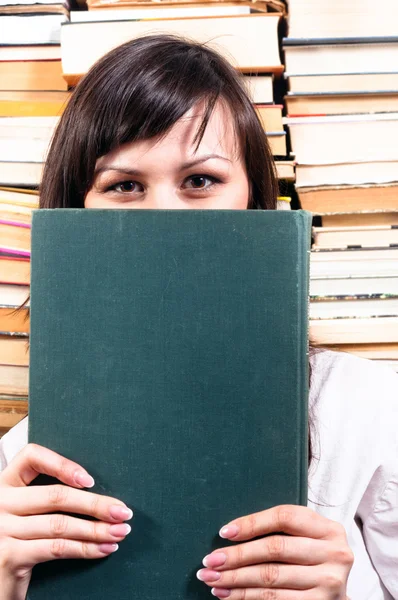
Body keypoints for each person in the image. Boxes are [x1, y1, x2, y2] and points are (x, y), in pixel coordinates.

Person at [0, 34, 397, 600]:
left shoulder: (368, 408)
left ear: (257, 204)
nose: (164, 216)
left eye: (200, 180)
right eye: (125, 185)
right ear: (73, 215)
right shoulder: (27, 458)